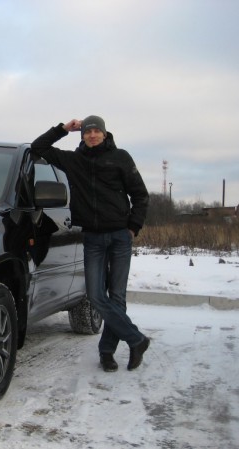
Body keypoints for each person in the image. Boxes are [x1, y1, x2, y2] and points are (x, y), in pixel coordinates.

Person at [30, 115, 150, 372]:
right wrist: (63, 129)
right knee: (96, 296)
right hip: (93, 238)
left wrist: (133, 227)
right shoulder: (74, 161)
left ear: (105, 134)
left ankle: (107, 353)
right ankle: (136, 339)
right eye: (87, 131)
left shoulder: (121, 157)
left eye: (97, 131)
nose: (92, 135)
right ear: (82, 135)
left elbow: (140, 195)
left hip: (119, 237)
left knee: (117, 297)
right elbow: (37, 147)